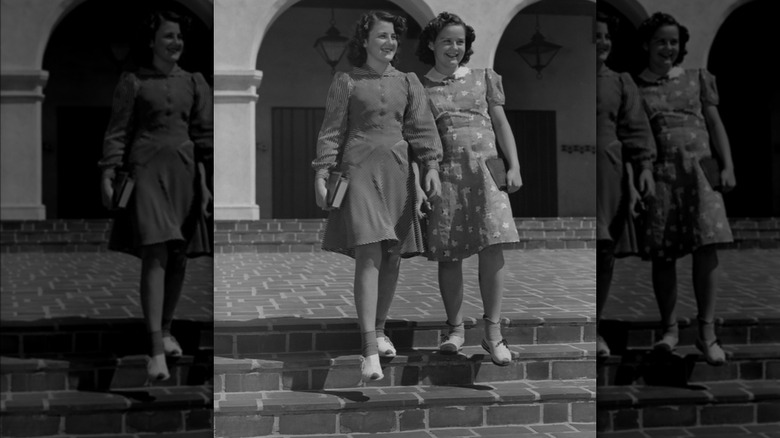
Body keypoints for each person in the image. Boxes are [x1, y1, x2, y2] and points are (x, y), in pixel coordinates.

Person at [311, 10, 443, 382]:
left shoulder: (409, 81)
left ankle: (381, 329)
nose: (389, 43)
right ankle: (368, 348)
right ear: (365, 41)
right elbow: (332, 130)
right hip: (358, 171)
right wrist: (322, 172)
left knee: (392, 256)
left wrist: (431, 166)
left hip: (398, 173)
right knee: (369, 252)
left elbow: (422, 130)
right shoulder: (346, 81)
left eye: (394, 38)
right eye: (382, 36)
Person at [98, 9, 213, 381]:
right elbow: (117, 131)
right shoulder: (132, 81)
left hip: (185, 173)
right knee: (156, 252)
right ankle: (154, 350)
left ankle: (165, 330)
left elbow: (205, 137)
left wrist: (209, 184)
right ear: (152, 41)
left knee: (178, 255)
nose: (175, 43)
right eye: (168, 36)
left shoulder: (195, 82)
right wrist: (107, 173)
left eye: (179, 37)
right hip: (145, 168)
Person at [415, 12, 521, 366]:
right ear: (432, 43)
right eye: (447, 40)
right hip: (446, 175)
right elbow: (420, 140)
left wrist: (514, 165)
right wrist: (421, 184)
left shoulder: (483, 79)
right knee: (450, 254)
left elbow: (501, 122)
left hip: (487, 173)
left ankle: (493, 333)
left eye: (460, 42)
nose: (454, 48)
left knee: (493, 248)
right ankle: (456, 329)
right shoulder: (421, 87)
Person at [634, 12, 736, 365]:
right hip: (662, 175)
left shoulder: (696, 79)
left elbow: (715, 122)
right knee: (664, 254)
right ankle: (670, 330)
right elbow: (639, 135)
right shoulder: (638, 87)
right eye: (661, 41)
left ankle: (707, 333)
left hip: (700, 173)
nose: (668, 48)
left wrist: (729, 165)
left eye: (674, 42)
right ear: (648, 44)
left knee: (706, 248)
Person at [595, 11, 656, 358]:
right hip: (587, 167)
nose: (602, 42)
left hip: (611, 173)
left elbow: (635, 130)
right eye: (595, 35)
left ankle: (598, 328)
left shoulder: (621, 82)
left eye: (606, 36)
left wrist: (644, 169)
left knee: (604, 251)